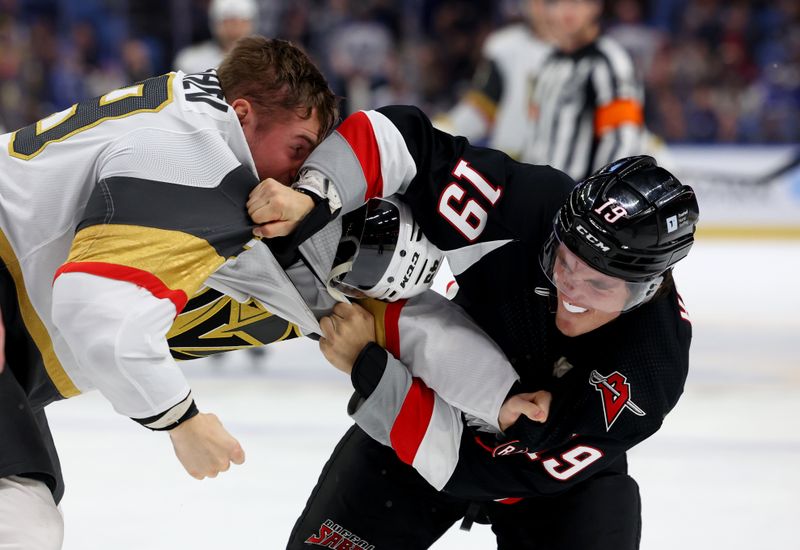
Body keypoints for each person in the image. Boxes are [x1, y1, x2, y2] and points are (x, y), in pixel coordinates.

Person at [247, 106, 697, 548]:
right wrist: (313, 195)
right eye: (564, 261)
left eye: (598, 284)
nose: (571, 290)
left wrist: (370, 367)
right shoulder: (531, 206)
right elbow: (400, 137)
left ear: (645, 289)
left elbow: (466, 466)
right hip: (423, 404)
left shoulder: (649, 370)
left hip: (550, 489)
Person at [0, 36, 337, 549]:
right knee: (20, 517)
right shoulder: (203, 159)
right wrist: (182, 420)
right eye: (298, 150)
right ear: (243, 114)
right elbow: (98, 314)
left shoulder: (184, 109)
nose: (297, 178)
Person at [519, 0, 646, 181]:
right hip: (542, 196)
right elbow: (535, 135)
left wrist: (598, 196)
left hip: (580, 198)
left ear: (595, 7)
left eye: (577, 2)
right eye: (558, 3)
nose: (567, 9)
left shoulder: (609, 62)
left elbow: (622, 139)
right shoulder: (548, 63)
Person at [434, 0, 553, 158]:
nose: (538, 7)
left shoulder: (592, 59)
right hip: (510, 165)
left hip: (568, 170)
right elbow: (482, 108)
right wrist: (438, 132)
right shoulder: (506, 47)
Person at [173, 0, 258, 74]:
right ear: (214, 25)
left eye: (241, 23)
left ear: (251, 25)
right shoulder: (190, 61)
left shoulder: (263, 61)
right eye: (227, 22)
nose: (234, 29)